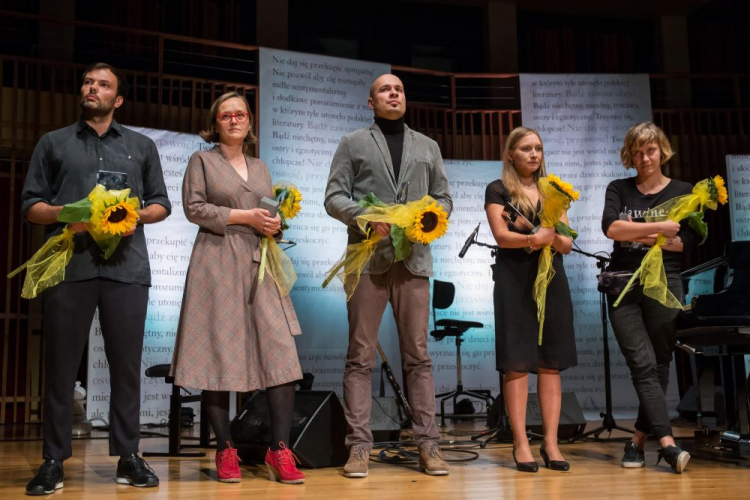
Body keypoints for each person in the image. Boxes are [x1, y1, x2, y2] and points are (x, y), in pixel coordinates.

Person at [21, 63, 170, 495]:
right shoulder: (54, 143)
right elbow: (32, 205)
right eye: (88, 82)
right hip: (69, 266)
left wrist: (131, 217)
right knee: (61, 368)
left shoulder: (140, 146)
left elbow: (161, 203)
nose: (92, 88)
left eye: (103, 84)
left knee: (126, 367)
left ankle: (128, 457)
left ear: (118, 99)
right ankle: (53, 461)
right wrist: (74, 215)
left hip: (127, 270)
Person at [170, 92, 305, 485]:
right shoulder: (202, 161)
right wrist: (245, 215)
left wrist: (274, 225)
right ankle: (225, 449)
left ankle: (279, 450)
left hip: (259, 264)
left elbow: (267, 211)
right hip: (215, 264)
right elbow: (194, 207)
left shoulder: (260, 167)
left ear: (249, 122)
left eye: (240, 114)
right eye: (225, 115)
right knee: (218, 355)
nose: (233, 120)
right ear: (215, 123)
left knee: (281, 353)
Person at [325, 74, 453, 477]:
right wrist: (365, 216)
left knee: (419, 357)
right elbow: (333, 196)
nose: (393, 93)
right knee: (359, 356)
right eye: (385, 89)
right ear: (371, 101)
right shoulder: (353, 142)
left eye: (398, 88)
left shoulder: (428, 146)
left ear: (405, 98)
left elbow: (444, 197)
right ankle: (359, 446)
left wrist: (429, 215)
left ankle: (428, 445)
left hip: (413, 261)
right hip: (368, 259)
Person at [602, 122, 696, 474]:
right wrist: (659, 229)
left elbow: (684, 242)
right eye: (638, 152)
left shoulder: (685, 191)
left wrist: (637, 230)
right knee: (641, 363)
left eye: (650, 150)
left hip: (666, 282)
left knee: (658, 364)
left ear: (662, 150)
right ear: (630, 155)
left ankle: (638, 441)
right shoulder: (619, 187)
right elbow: (611, 228)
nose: (645, 157)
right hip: (623, 283)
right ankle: (670, 446)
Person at [484, 127, 577, 473]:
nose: (534, 154)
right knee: (517, 361)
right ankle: (521, 442)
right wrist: (535, 237)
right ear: (511, 154)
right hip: (514, 279)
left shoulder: (553, 190)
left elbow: (566, 243)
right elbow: (501, 236)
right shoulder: (498, 189)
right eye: (526, 148)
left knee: (550, 361)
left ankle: (551, 442)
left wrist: (544, 236)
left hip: (552, 278)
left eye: (538, 148)